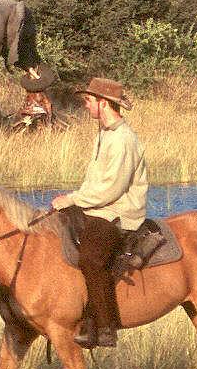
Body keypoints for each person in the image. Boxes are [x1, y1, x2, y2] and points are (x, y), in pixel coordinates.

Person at [49, 76, 150, 349]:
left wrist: (71, 199)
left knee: (91, 257)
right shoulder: (104, 134)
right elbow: (95, 184)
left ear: (103, 103)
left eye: (88, 101)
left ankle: (104, 326)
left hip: (117, 213)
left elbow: (111, 189)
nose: (86, 105)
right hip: (97, 208)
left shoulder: (123, 140)